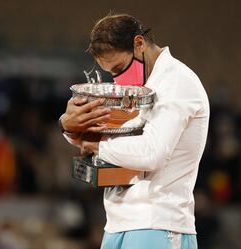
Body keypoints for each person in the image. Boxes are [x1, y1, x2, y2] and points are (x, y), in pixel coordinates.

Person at [59, 13, 209, 249]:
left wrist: (97, 146)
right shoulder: (138, 87)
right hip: (117, 223)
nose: (117, 79)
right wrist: (68, 125)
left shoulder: (177, 81)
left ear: (139, 44)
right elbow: (101, 136)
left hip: (158, 223)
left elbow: (153, 153)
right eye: (111, 72)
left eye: (119, 67)